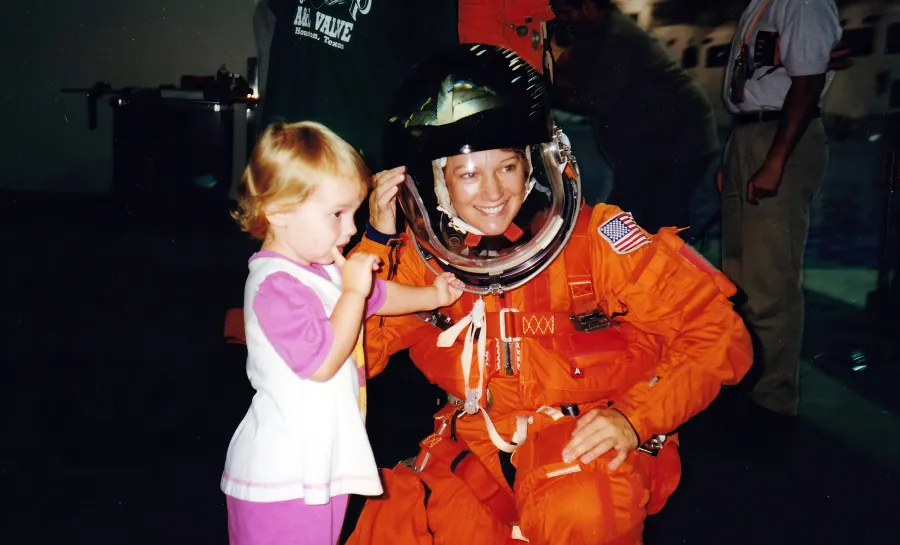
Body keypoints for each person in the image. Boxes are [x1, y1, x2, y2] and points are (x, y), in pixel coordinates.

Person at [346, 44, 753, 545]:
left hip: (582, 447)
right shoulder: (418, 260)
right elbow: (345, 357)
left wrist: (634, 418)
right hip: (475, 456)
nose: (493, 192)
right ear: (438, 183)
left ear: (536, 165)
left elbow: (718, 333)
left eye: (508, 167)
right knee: (391, 526)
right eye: (469, 173)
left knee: (581, 511)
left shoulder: (597, 243)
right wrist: (376, 247)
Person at [221, 121, 463, 545]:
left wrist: (433, 295)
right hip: (281, 479)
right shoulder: (273, 285)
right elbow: (323, 362)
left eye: (353, 213)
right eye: (336, 214)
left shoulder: (319, 269)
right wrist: (352, 288)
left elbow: (378, 295)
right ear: (278, 211)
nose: (351, 230)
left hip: (319, 468)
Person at [719, 0, 841, 417]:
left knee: (770, 277)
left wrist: (774, 161)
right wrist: (733, 159)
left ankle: (772, 396)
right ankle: (744, 378)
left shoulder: (803, 2)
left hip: (778, 134)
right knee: (738, 274)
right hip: (750, 133)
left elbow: (806, 85)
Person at [547, 0, 719, 236]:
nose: (561, 21)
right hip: (653, 145)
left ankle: (656, 268)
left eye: (566, 13)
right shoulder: (597, 35)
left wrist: (544, 89)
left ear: (588, 8)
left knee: (658, 220)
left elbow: (592, 101)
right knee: (631, 211)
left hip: (678, 141)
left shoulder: (617, 38)